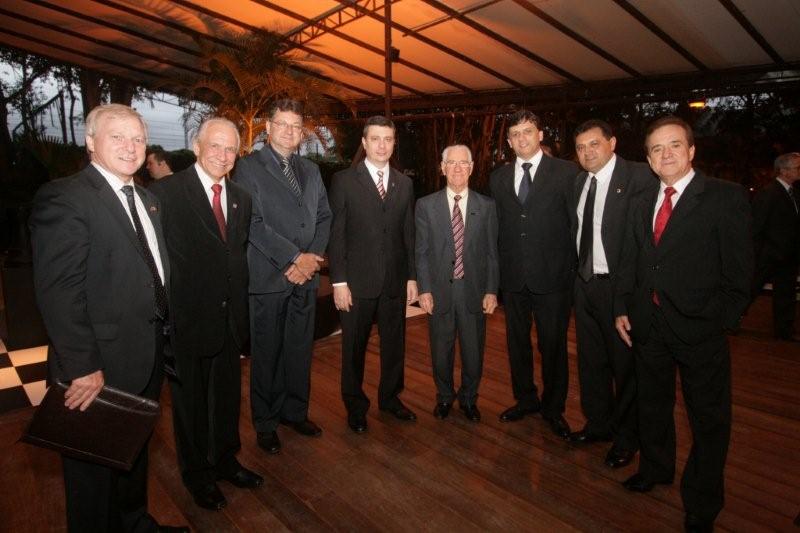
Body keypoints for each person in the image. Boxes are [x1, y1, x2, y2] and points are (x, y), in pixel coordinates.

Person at [29, 104, 187, 532]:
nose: (130, 146)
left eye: (137, 138)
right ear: (90, 142)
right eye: (117, 137)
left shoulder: (149, 200)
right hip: (96, 365)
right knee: (91, 476)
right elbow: (59, 292)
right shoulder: (65, 197)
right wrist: (82, 367)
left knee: (133, 451)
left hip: (147, 353)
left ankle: (135, 523)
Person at [614, 116, 753, 532]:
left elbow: (741, 272)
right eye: (657, 149)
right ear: (649, 160)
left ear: (692, 151)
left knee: (708, 420)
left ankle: (702, 502)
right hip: (647, 324)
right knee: (652, 404)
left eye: (675, 145)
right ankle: (656, 468)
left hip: (700, 329)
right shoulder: (641, 201)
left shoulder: (723, 198)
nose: (666, 154)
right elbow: (631, 260)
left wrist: (721, 321)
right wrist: (622, 305)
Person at [149, 118, 262, 511]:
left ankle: (226, 460)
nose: (223, 155)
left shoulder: (241, 199)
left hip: (230, 321)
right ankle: (197, 475)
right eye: (215, 146)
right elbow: (156, 262)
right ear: (196, 147)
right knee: (190, 406)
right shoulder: (165, 193)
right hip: (187, 321)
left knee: (227, 399)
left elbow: (235, 259)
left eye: (231, 149)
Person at [233, 98, 331, 454]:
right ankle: (266, 422)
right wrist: (293, 258)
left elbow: (324, 217)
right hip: (270, 277)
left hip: (305, 278)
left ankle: (295, 412)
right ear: (268, 128)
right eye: (283, 124)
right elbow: (252, 224)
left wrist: (311, 261)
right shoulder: (247, 168)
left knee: (299, 350)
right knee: (267, 353)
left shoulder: (311, 169)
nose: (290, 131)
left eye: (296, 126)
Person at [568, 119, 654, 468]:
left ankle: (627, 437)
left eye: (594, 144)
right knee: (590, 362)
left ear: (612, 143)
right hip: (584, 285)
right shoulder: (578, 182)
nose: (587, 152)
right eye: (580, 147)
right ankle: (598, 424)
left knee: (625, 367)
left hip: (621, 290)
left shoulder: (638, 178)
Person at [488, 109, 579, 438]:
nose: (522, 138)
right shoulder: (498, 178)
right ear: (510, 141)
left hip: (554, 278)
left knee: (553, 346)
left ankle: (554, 408)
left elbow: (576, 225)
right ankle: (525, 399)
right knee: (517, 344)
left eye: (528, 131)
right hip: (513, 278)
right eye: (515, 134)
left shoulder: (567, 172)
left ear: (540, 134)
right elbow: (497, 228)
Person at [328, 115, 418, 433]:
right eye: (375, 139)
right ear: (364, 143)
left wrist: (411, 277)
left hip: (394, 280)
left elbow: (409, 233)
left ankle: (391, 399)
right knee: (354, 347)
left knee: (395, 344)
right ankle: (355, 405)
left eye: (388, 139)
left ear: (394, 143)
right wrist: (338, 281)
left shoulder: (404, 183)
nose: (382, 145)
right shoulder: (344, 181)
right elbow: (336, 235)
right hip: (356, 283)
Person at [415, 144, 499, 422]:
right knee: (441, 350)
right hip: (439, 292)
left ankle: (469, 399)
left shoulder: (486, 206)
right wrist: (425, 288)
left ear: (472, 168)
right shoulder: (425, 205)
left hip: (473, 291)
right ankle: (444, 397)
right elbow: (422, 251)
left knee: (473, 352)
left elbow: (491, 252)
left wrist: (491, 290)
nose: (458, 168)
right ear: (442, 168)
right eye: (452, 163)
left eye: (464, 163)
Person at [752, 152, 800, 341]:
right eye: (797, 167)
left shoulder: (794, 193)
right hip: (769, 254)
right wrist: (757, 252)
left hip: (788, 255)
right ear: (784, 170)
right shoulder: (769, 193)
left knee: (786, 294)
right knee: (751, 289)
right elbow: (757, 225)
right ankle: (731, 318)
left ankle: (784, 331)